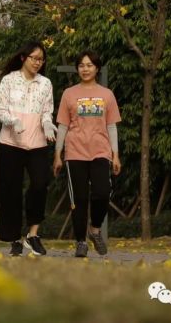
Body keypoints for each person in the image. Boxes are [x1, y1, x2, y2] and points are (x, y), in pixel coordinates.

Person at [53, 49, 121, 258]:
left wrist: (115, 154)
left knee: (103, 192)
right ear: (77, 69)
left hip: (101, 151)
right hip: (75, 153)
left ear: (97, 68)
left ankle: (95, 229)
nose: (85, 69)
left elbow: (111, 126)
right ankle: (81, 241)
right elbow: (63, 126)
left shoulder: (107, 95)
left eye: (89, 65)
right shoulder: (69, 94)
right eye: (81, 65)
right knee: (79, 199)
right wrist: (58, 154)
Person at [0, 41, 56, 257]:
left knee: (40, 184)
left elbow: (47, 111)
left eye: (41, 59)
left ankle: (33, 234)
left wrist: (48, 124)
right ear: (24, 58)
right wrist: (12, 121)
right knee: (10, 191)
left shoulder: (46, 83)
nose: (38, 63)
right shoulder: (9, 81)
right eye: (34, 58)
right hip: (11, 143)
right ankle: (14, 239)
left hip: (37, 143)